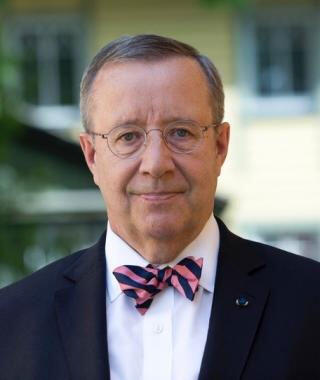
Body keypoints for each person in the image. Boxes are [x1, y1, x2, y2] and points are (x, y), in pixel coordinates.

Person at [0, 34, 320, 380]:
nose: (156, 164)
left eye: (181, 133)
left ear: (220, 146)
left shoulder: (310, 303)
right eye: (128, 136)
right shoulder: (12, 322)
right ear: (91, 156)